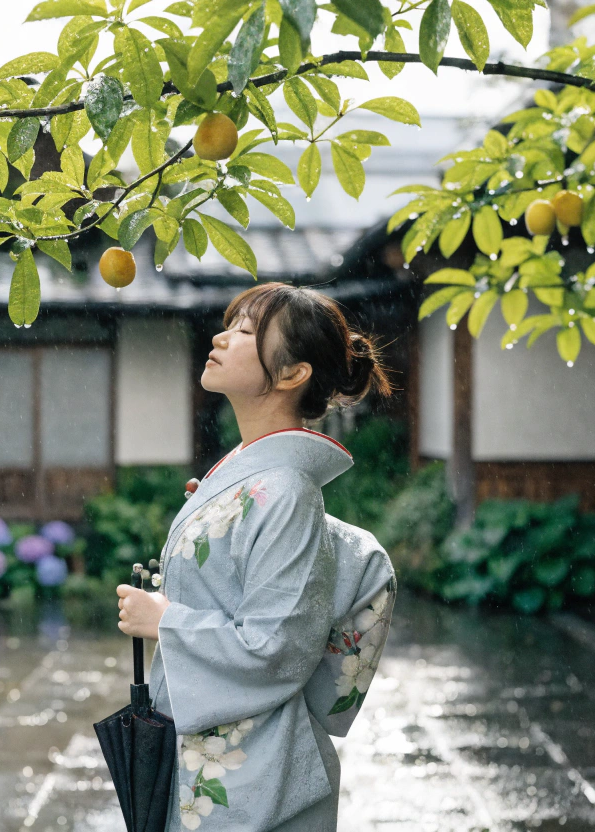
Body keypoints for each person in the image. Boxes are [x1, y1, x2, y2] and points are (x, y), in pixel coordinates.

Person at [115, 282, 397, 831]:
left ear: (293, 374)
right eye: (230, 324)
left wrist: (164, 620)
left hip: (252, 774)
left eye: (244, 331)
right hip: (221, 757)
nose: (221, 337)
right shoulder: (255, 478)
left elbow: (277, 650)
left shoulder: (286, 490)